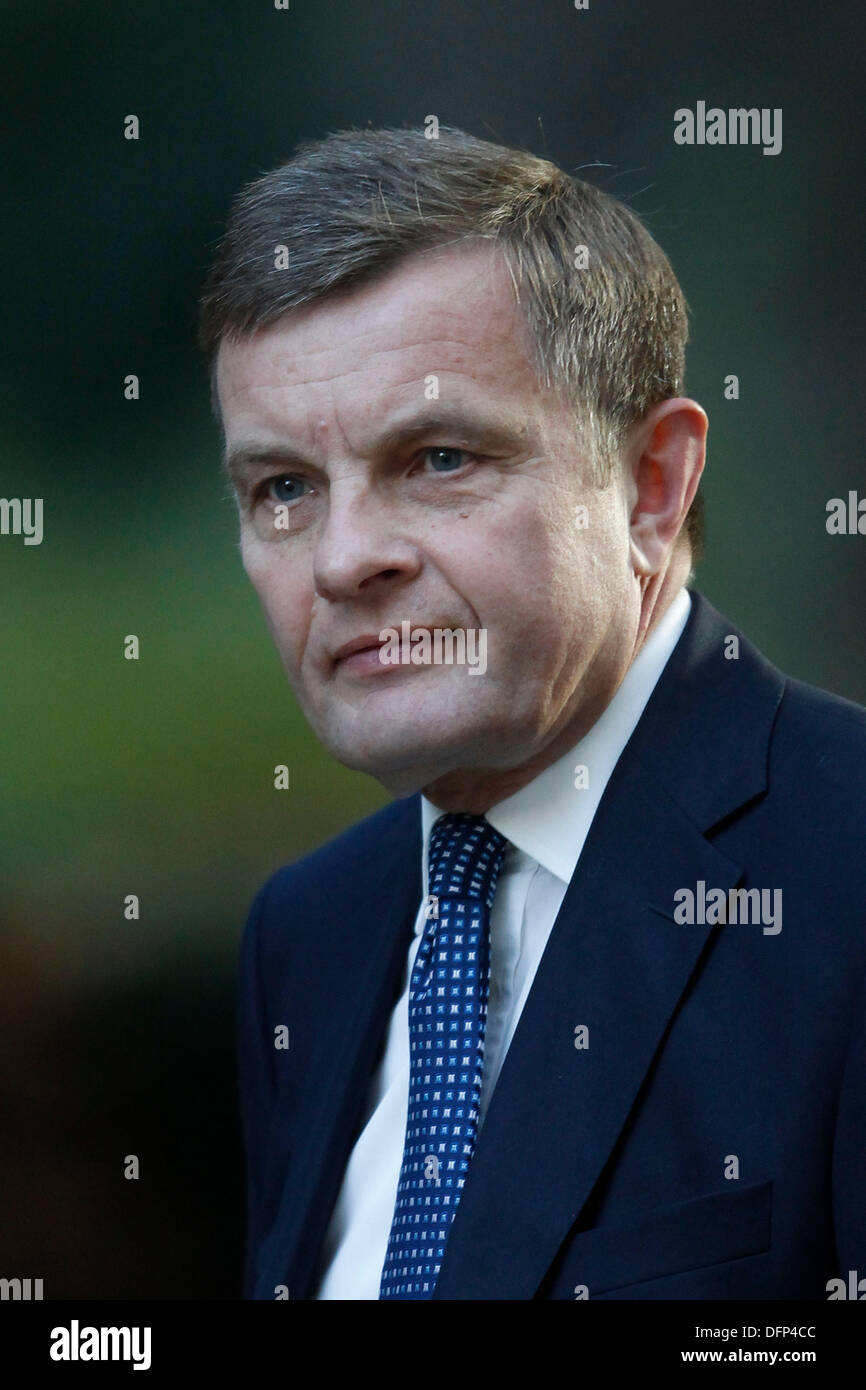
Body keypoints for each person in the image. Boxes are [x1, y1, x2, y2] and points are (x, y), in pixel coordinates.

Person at [198, 126, 866, 1300]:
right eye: (285, 489)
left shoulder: (844, 866)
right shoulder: (307, 935)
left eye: (440, 457)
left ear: (650, 487)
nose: (344, 559)